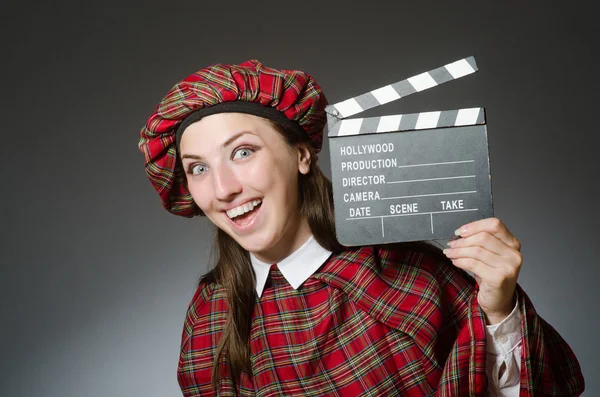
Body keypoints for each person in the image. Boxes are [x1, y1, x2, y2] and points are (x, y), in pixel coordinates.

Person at [138, 60, 584, 396]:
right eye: (197, 168)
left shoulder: (410, 273)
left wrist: (497, 311)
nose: (223, 189)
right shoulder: (209, 315)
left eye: (242, 153)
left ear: (301, 155)